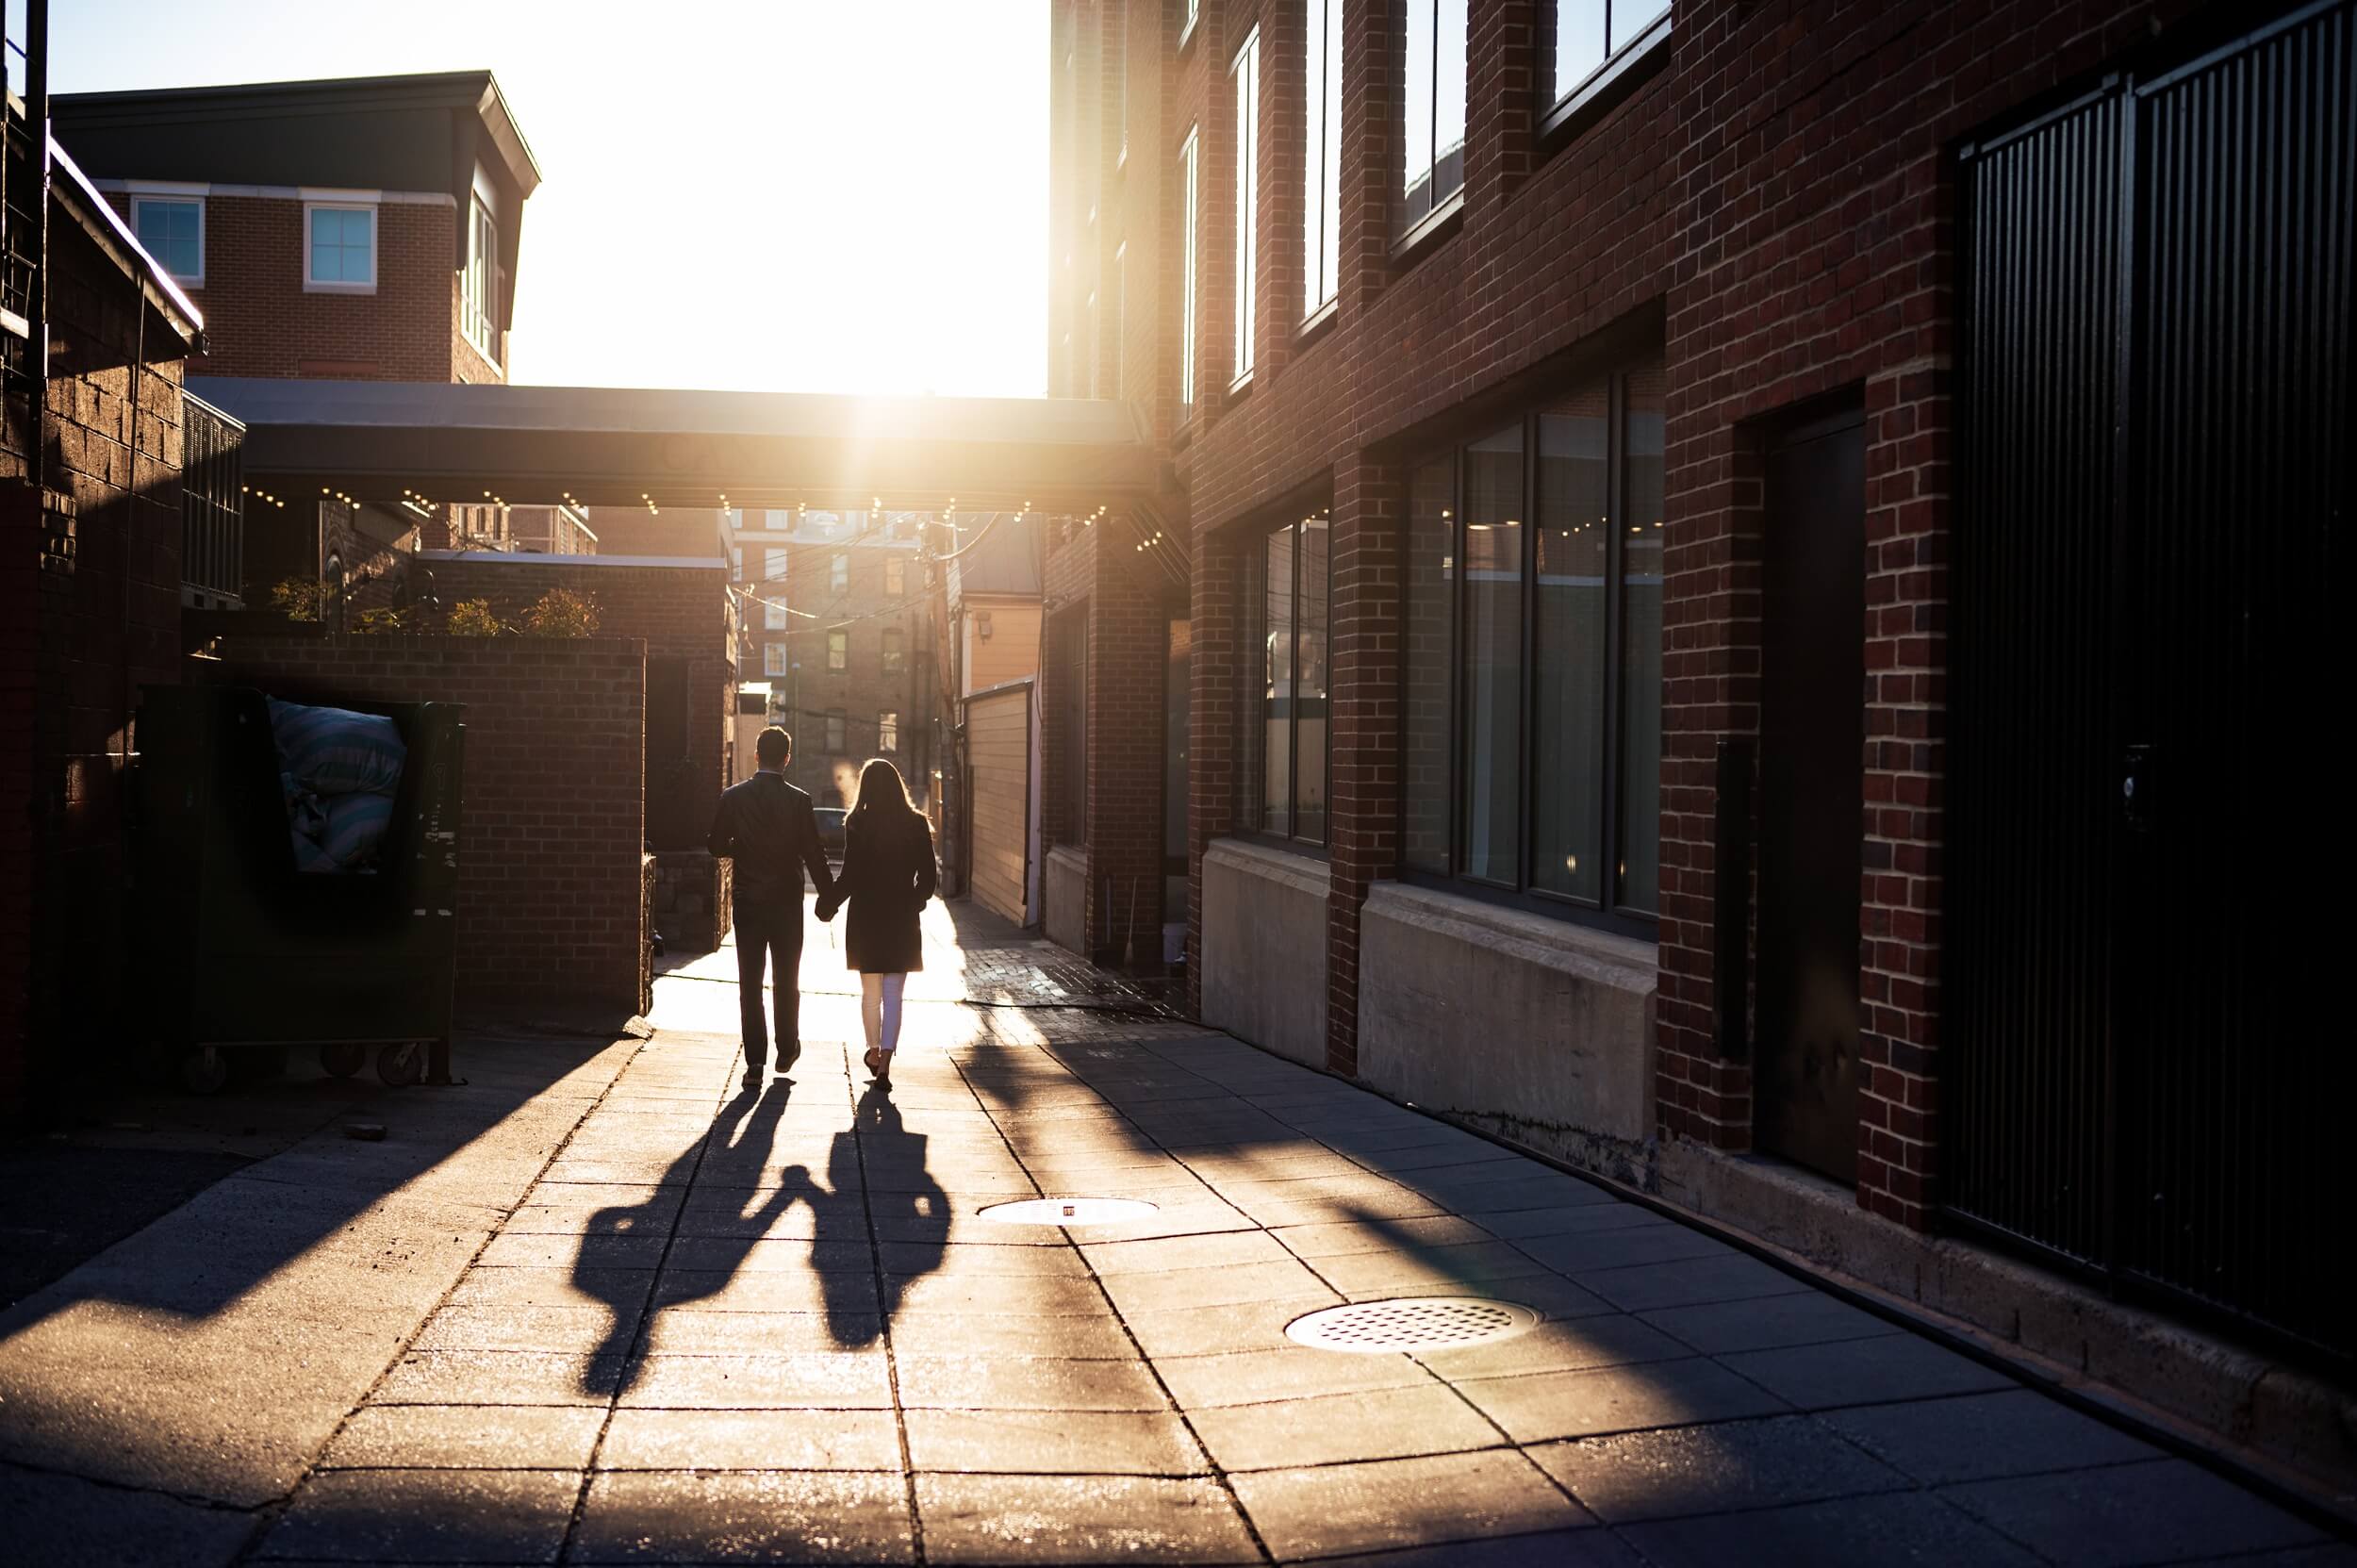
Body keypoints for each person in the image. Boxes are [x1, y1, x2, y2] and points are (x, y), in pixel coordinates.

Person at [707, 726, 837, 1093]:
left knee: (750, 984)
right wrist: (828, 898)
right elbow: (814, 852)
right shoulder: (798, 801)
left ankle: (755, 1062)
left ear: (756, 756)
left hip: (748, 902)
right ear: (787, 759)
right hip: (785, 904)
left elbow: (715, 845)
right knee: (786, 979)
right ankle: (786, 1047)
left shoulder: (733, 798)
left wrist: (741, 845)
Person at [814, 757, 937, 1084]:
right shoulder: (916, 823)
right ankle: (884, 1064)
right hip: (901, 915)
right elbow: (928, 877)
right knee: (895, 993)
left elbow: (850, 875)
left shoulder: (858, 823)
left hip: (866, 915)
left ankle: (872, 1050)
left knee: (871, 994)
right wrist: (914, 902)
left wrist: (828, 904)